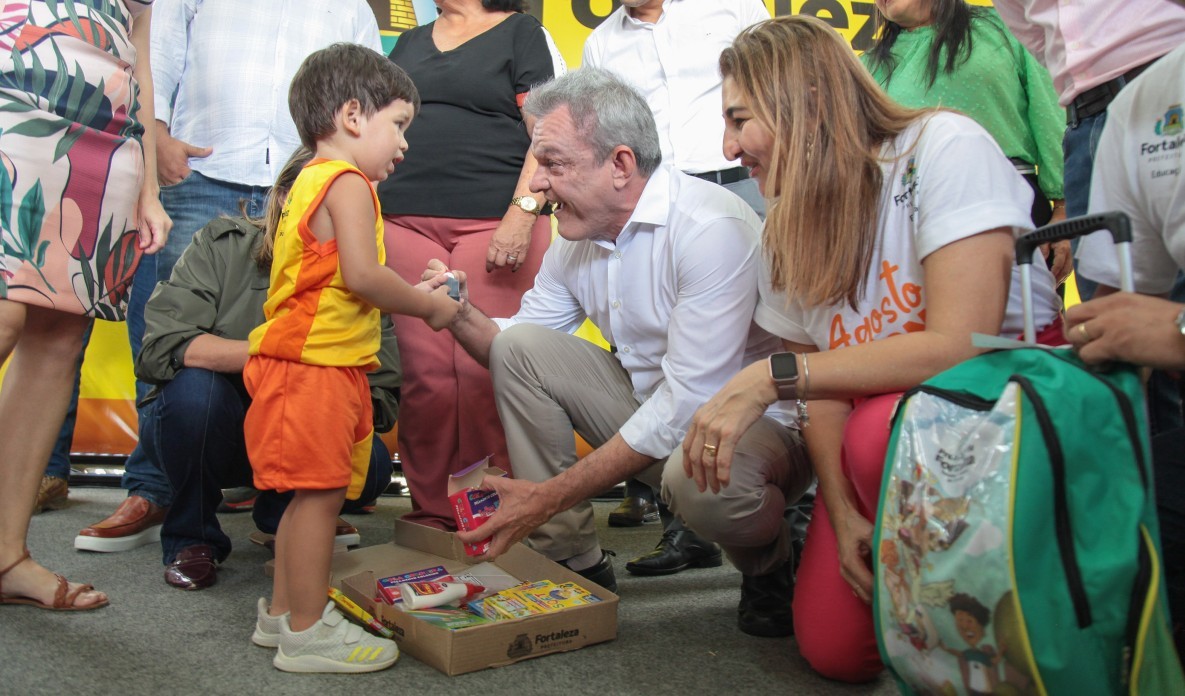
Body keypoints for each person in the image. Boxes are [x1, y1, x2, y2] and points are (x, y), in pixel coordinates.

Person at [683, 16, 1062, 680]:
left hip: (1003, 408)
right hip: (873, 439)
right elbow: (820, 393)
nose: (728, 145)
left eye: (740, 119)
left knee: (874, 428)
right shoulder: (784, 226)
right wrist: (839, 510)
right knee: (832, 651)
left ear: (801, 96)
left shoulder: (939, 146)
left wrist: (771, 376)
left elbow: (959, 346)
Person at [441, 68, 814, 638]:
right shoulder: (576, 239)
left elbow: (693, 403)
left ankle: (772, 560)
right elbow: (511, 345)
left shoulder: (708, 226)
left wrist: (543, 497)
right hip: (653, 408)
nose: (535, 184)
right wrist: (454, 312)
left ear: (619, 165)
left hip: (746, 425)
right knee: (520, 348)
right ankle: (573, 560)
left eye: (554, 163)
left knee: (702, 488)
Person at [70, 0, 383, 553]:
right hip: (204, 170)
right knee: (169, 344)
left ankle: (296, 502)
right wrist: (157, 139)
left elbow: (368, 91)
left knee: (329, 326)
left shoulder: (352, 5)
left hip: (308, 180)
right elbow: (156, 57)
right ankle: (157, 487)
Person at [246, 43, 458, 673]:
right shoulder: (348, 183)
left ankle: (283, 612)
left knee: (305, 499)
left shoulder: (307, 179)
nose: (404, 143)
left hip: (304, 365)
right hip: (316, 369)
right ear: (352, 116)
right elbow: (365, 277)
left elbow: (344, 278)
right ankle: (307, 633)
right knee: (320, 499)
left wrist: (411, 291)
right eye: (398, 124)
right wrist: (427, 306)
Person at [581, 0, 794, 578]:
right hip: (661, 195)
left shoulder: (731, 8)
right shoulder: (602, 41)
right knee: (661, 356)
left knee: (773, 335)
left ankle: (797, 523)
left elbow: (773, 87)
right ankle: (686, 529)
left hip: (743, 178)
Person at [135, 147, 400, 591]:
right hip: (223, 426)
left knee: (370, 464)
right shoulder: (222, 244)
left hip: (311, 425)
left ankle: (283, 517)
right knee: (192, 394)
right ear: (283, 199)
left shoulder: (367, 279)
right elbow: (164, 346)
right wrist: (288, 357)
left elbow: (383, 400)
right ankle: (191, 538)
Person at [0, 0, 169, 611]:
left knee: (59, 341)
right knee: (5, 318)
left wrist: (148, 186)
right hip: (13, 90)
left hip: (106, 134)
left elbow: (140, 54)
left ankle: (6, 556)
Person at [378, 0, 564, 531]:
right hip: (405, 222)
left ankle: (493, 512)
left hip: (494, 221)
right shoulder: (410, 43)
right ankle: (433, 511)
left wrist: (523, 212)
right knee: (428, 379)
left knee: (483, 369)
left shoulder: (521, 34)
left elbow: (547, 131)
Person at [1068, 38, 1185, 662]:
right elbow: (1118, 315)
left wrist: (1177, 332)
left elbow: (1161, 327)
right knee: (1102, 533)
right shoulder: (1144, 102)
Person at [863, 0, 1070, 278]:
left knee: (1027, 318)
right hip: (904, 222)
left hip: (1011, 205)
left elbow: (1051, 111)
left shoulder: (1006, 27)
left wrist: (1065, 210)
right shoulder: (866, 67)